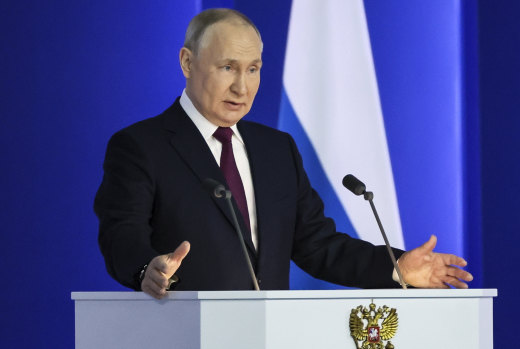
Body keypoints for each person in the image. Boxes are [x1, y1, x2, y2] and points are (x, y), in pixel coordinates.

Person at [95, 8, 473, 299]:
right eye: (228, 67)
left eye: (253, 69)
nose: (242, 87)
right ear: (187, 63)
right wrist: (148, 268)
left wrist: (395, 267)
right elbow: (120, 234)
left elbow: (317, 245)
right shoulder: (142, 146)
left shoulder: (276, 149)